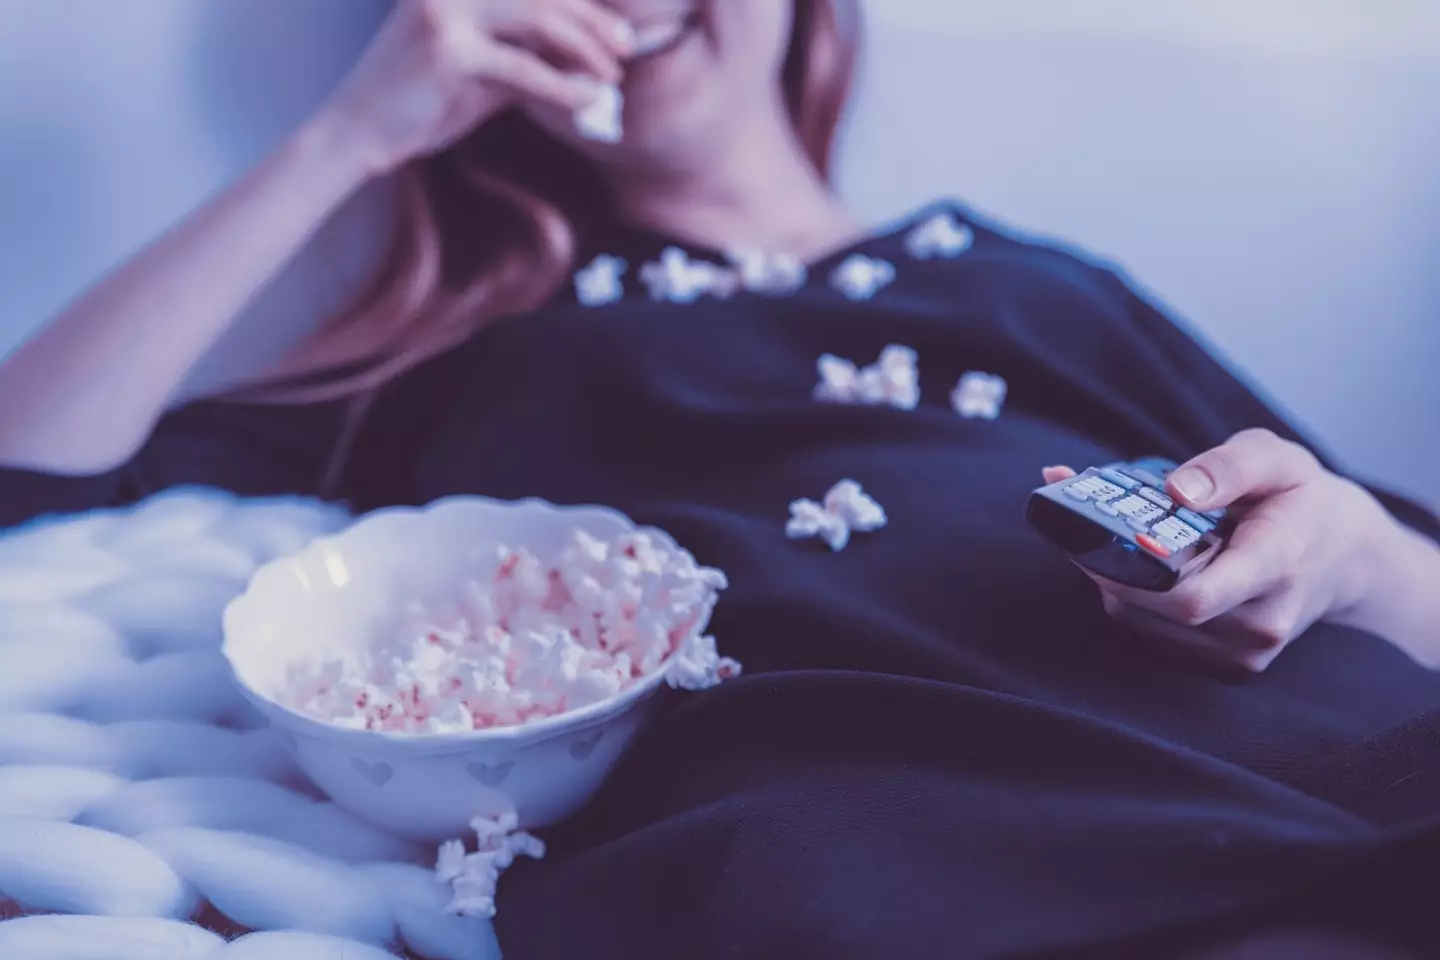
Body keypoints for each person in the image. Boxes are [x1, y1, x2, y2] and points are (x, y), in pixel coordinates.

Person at [2, 1, 1438, 956]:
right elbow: (31, 476)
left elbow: (1404, 583)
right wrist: (351, 136)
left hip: (1324, 759)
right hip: (898, 854)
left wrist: (1356, 553)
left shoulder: (1035, 288)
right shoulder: (480, 356)